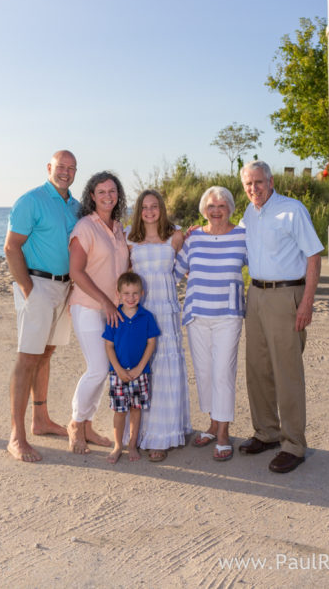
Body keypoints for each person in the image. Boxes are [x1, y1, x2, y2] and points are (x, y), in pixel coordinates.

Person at [239, 161, 323, 474]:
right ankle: (267, 432)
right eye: (248, 184)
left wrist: (307, 302)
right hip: (256, 294)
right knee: (257, 367)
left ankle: (293, 445)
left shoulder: (292, 210)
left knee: (286, 371)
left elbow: (314, 256)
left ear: (271, 181)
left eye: (258, 183)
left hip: (287, 295)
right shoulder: (250, 213)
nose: (253, 189)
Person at [4, 149, 80, 463]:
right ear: (49, 167)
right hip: (37, 285)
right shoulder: (31, 200)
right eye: (61, 167)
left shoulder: (76, 206)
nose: (66, 172)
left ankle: (41, 420)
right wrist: (27, 289)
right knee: (27, 358)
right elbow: (11, 247)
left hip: (65, 286)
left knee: (46, 353)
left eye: (72, 168)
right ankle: (16, 436)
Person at [174, 187, 247, 462]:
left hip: (228, 315)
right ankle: (213, 423)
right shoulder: (194, 239)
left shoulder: (242, 236)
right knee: (204, 373)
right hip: (196, 314)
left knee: (222, 373)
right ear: (204, 210)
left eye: (222, 206)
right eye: (211, 206)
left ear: (230, 208)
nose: (216, 211)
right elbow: (175, 272)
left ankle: (224, 432)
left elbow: (261, 263)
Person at [67, 171, 129, 454]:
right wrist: (105, 302)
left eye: (112, 191)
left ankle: (87, 424)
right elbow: (76, 272)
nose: (108, 196)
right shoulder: (84, 227)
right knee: (98, 368)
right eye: (101, 191)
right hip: (89, 307)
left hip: (114, 311)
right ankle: (76, 423)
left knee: (104, 371)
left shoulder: (119, 228)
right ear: (91, 196)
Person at [127, 190, 192, 462]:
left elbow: (185, 267)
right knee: (140, 368)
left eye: (154, 206)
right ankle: (137, 434)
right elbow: (123, 276)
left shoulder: (175, 235)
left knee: (164, 370)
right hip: (139, 310)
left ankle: (162, 436)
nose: (150, 211)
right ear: (138, 211)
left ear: (161, 209)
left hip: (165, 310)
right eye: (144, 207)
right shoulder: (129, 237)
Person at [102, 271, 160, 464]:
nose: (131, 297)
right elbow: (109, 345)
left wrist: (139, 368)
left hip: (140, 373)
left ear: (142, 293)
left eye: (135, 293)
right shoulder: (114, 316)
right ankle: (118, 445)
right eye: (126, 293)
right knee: (119, 411)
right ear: (118, 294)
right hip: (117, 373)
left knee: (136, 409)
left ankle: (133, 444)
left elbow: (151, 343)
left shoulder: (147, 317)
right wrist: (118, 369)